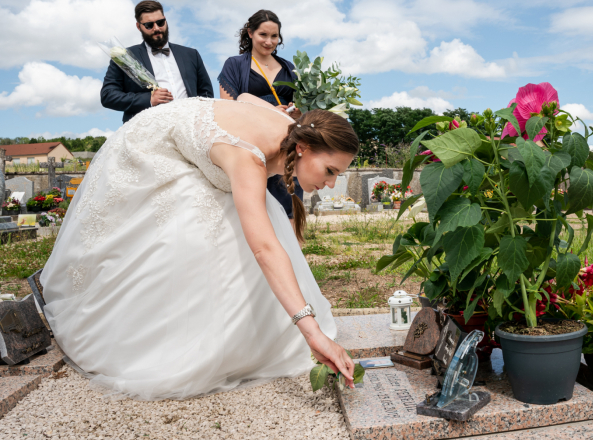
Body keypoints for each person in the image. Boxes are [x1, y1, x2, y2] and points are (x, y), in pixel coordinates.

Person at [41, 95, 358, 400]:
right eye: (330, 171)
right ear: (301, 148)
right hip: (152, 147)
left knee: (253, 216)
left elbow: (247, 95)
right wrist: (312, 333)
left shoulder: (291, 124)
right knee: (195, 228)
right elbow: (264, 249)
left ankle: (249, 332)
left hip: (200, 144)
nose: (331, 183)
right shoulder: (248, 159)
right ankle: (168, 332)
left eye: (338, 174)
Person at [218, 10, 304, 223]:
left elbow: (300, 105)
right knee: (253, 212)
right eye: (263, 35)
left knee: (289, 209)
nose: (269, 41)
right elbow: (227, 109)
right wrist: (269, 110)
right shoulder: (235, 65)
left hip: (285, 145)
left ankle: (294, 254)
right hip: (251, 145)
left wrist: (298, 110)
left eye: (274, 36)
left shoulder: (289, 68)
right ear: (250, 33)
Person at [101, 0, 214, 123]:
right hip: (147, 131)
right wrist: (148, 99)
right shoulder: (125, 57)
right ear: (139, 26)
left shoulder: (191, 54)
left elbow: (206, 94)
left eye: (160, 23)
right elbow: (108, 96)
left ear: (165, 20)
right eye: (149, 25)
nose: (157, 28)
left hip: (190, 127)